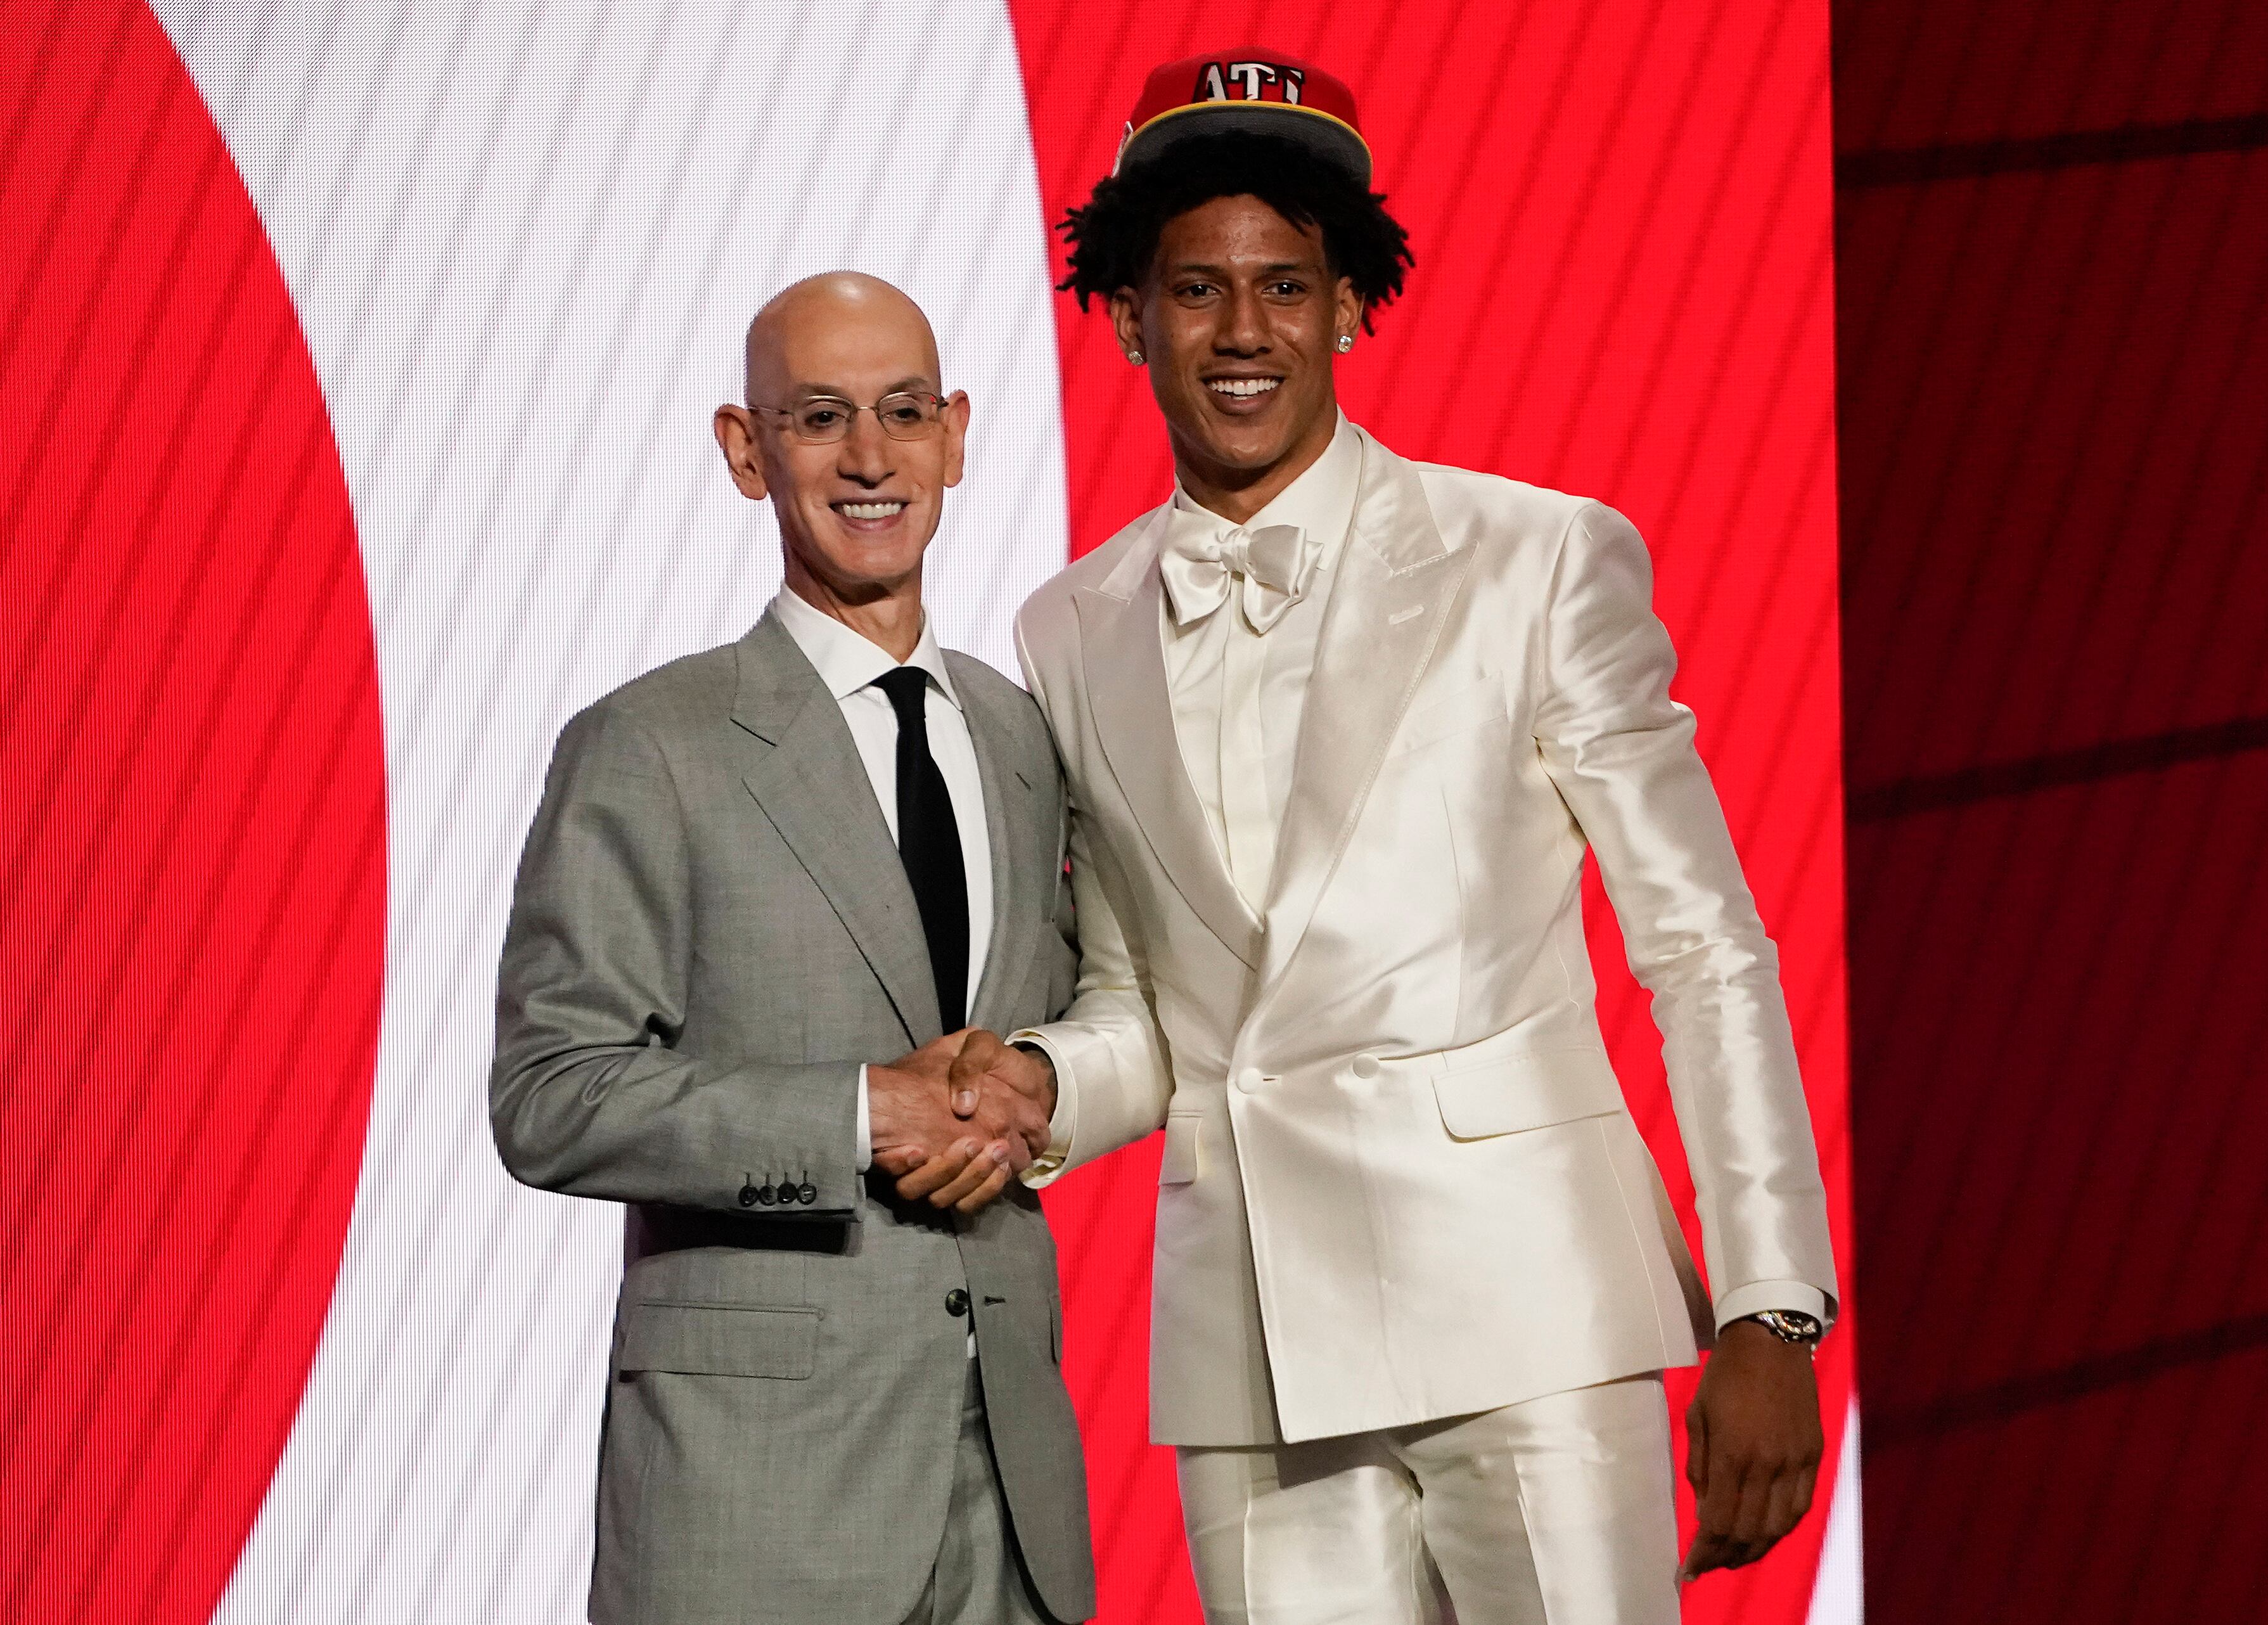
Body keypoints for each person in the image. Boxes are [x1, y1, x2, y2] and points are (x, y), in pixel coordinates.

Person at [960, 48, 1840, 1624]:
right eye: (1198, 290)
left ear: (1352, 304)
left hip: (1534, 1313)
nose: (1244, 334)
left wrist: (1770, 1305)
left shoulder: (1540, 557)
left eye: (1287, 287)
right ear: (1126, 316)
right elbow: (1146, 1012)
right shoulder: (1065, 624)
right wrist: (1033, 1091)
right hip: (1252, 1355)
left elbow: (1702, 945)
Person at [489, 273, 1091, 1625]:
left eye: (903, 412)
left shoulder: (1021, 737)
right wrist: (850, 1116)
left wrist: (1038, 1083)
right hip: (754, 1510)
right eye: (821, 418)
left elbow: (1063, 1028)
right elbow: (549, 1095)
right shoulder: (649, 744)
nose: (871, 459)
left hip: (1011, 1500)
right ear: (744, 449)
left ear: (958, 434)